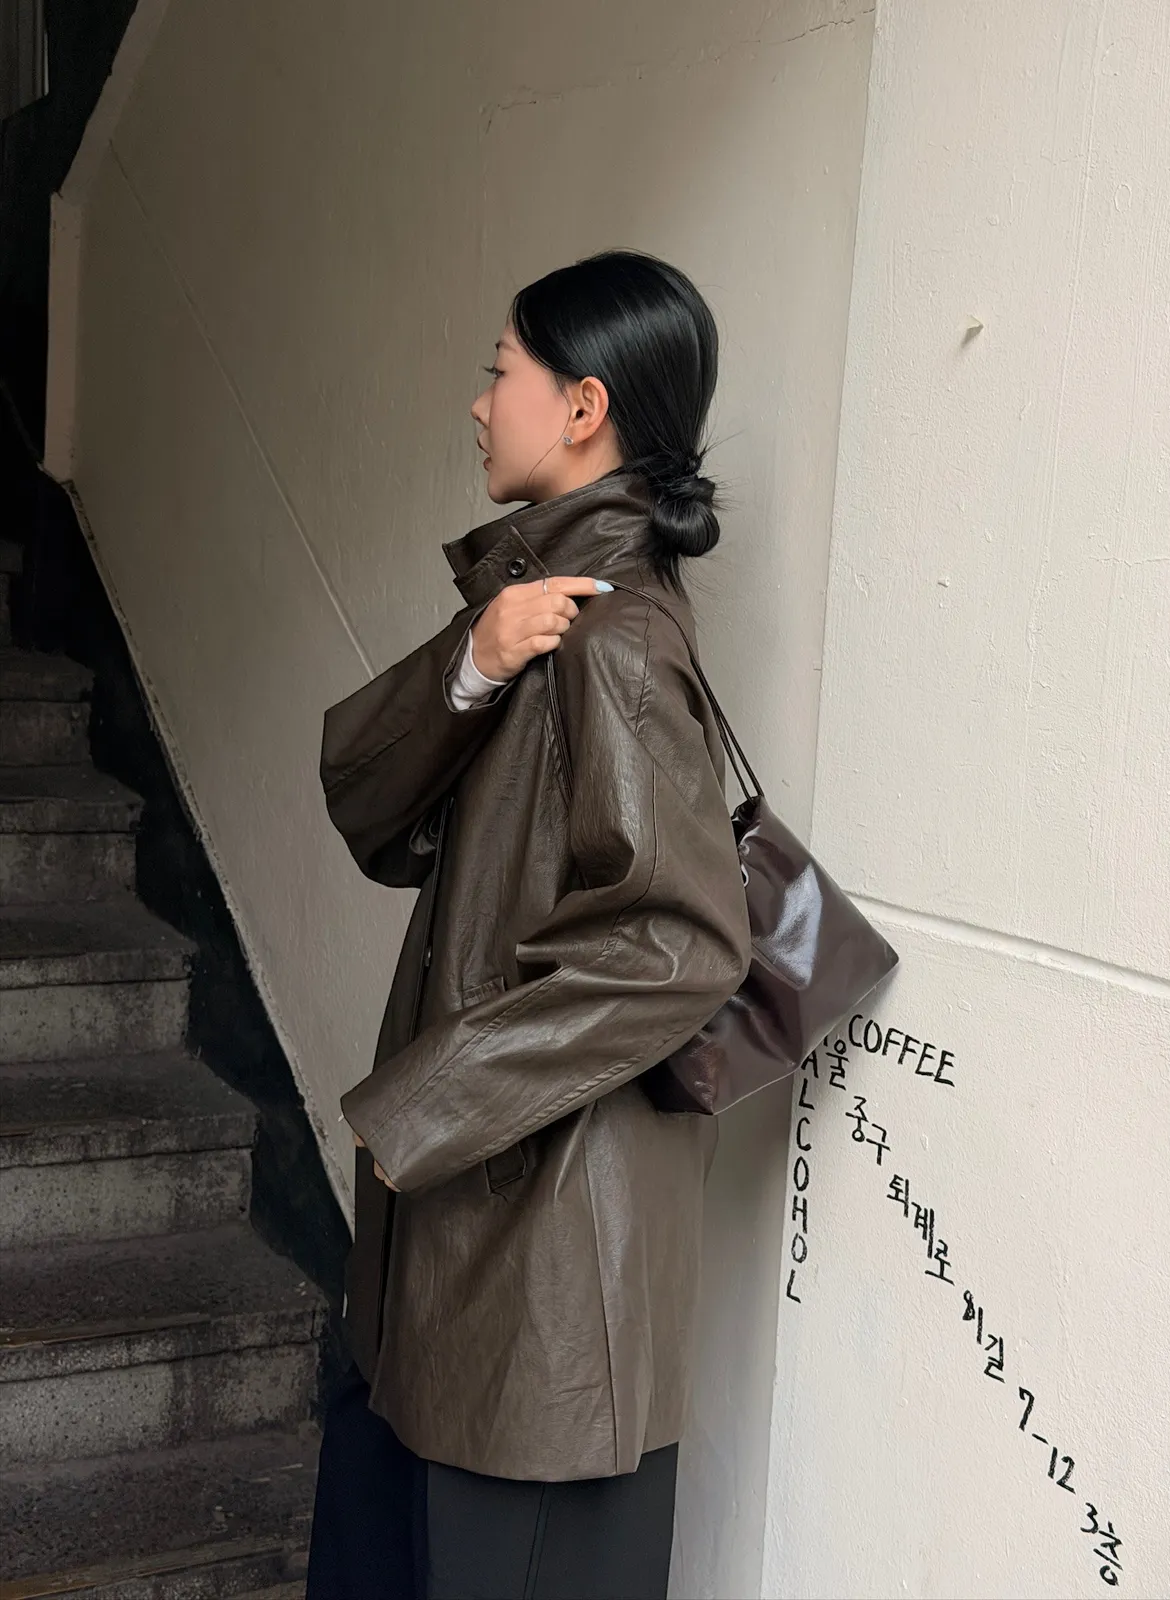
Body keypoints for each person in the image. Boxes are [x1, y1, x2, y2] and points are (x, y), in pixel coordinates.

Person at [308, 249, 753, 1600]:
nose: (478, 400)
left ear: (582, 406)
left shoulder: (615, 643)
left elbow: (678, 943)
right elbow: (372, 812)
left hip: (546, 1259)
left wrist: (424, 1104)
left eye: (499, 369)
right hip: (495, 1232)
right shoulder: (543, 624)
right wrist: (472, 661)